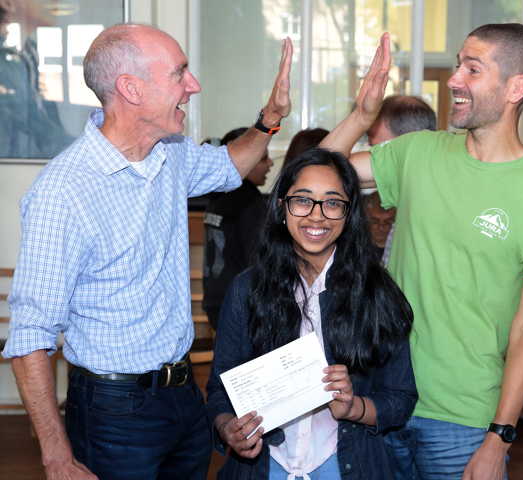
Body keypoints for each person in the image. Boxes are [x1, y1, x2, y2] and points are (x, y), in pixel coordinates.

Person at [2, 23, 292, 480]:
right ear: (131, 89)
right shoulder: (63, 191)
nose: (193, 86)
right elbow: (29, 336)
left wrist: (269, 120)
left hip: (183, 397)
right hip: (111, 412)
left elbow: (229, 165)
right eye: (180, 73)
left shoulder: (169, 153)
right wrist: (57, 457)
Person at [320, 24, 523, 479]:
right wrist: (362, 117)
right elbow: (314, 178)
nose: (453, 79)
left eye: (472, 68)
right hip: (380, 404)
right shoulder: (417, 153)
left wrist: (498, 438)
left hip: (465, 420)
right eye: (458, 63)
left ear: (516, 87)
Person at [206, 148, 417, 479]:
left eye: (332, 203)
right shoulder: (248, 290)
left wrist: (354, 407)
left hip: (345, 464)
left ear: (349, 212)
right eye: (303, 200)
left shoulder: (377, 293)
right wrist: (226, 427)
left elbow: (401, 398)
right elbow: (220, 389)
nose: (316, 215)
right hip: (265, 465)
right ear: (281, 207)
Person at [202, 127, 274, 329]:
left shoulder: (218, 196)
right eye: (262, 159)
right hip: (239, 305)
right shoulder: (248, 202)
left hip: (216, 301)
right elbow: (262, 260)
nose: (270, 164)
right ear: (246, 159)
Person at [364, 95, 437, 265]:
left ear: (408, 143)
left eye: (378, 150)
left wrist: (361, 116)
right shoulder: (409, 196)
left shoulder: (431, 206)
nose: (373, 158)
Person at [0, 0, 75, 158]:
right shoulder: (6, 57)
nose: (56, 1)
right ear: (7, 3)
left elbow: (40, 117)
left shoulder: (28, 51)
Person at [365, 191, 395, 260]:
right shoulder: (356, 248)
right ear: (365, 219)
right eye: (375, 222)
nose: (381, 228)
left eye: (387, 222)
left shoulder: (402, 249)